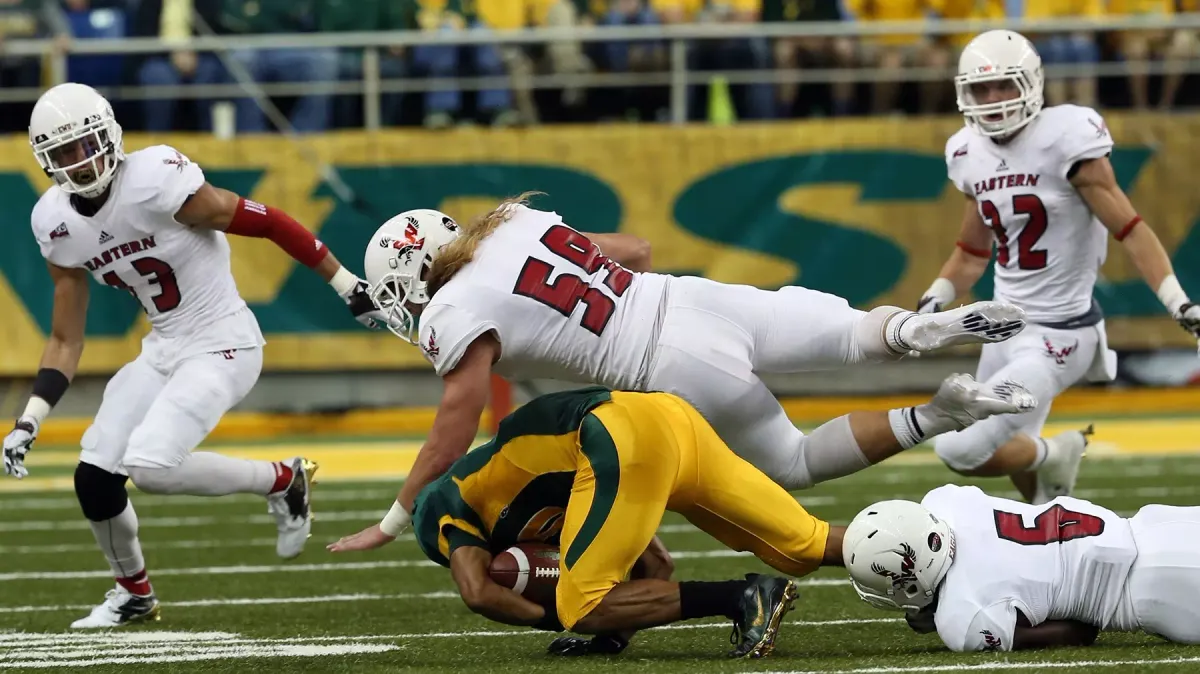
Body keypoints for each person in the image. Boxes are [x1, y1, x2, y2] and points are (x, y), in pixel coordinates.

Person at [328, 200, 1035, 553]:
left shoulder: (448, 309)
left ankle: (940, 414)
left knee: (789, 462)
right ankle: (917, 330)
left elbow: (455, 422)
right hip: (689, 297)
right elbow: (635, 249)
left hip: (664, 365)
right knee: (858, 337)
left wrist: (394, 521)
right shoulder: (514, 219)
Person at [0, 83, 394, 629]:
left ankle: (282, 479)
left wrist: (345, 282)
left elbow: (269, 220)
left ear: (110, 134)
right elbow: (66, 340)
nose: (81, 161)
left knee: (150, 467)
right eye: (64, 153)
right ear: (46, 161)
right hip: (163, 349)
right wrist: (29, 419)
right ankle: (134, 594)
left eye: (86, 143)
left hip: (223, 341)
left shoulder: (155, 180)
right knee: (94, 477)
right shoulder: (55, 224)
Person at [914, 29, 1200, 504]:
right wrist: (933, 302)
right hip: (1001, 327)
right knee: (1001, 454)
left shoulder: (1065, 137)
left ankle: (1053, 455)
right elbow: (971, 252)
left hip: (1058, 336)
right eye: (981, 89)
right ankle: (1048, 519)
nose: (992, 99)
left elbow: (1129, 228)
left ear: (1031, 84)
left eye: (1003, 85)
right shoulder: (967, 152)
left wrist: (1178, 301)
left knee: (957, 448)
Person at [407, 385, 846, 659]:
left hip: (616, 433)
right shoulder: (534, 483)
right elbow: (655, 564)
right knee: (805, 544)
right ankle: (914, 553)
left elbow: (480, 593)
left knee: (579, 604)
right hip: (669, 418)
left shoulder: (444, 505)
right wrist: (609, 638)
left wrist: (562, 613)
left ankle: (744, 596)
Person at [843, 484, 1200, 651]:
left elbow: (1078, 633)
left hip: (1157, 591)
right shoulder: (944, 500)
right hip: (1153, 524)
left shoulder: (962, 618)